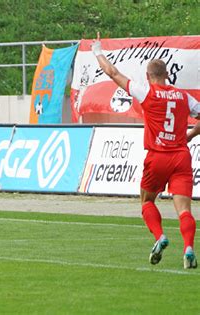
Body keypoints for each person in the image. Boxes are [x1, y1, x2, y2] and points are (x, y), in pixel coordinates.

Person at [92, 32, 199, 269]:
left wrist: (97, 50)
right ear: (168, 75)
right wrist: (190, 135)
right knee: (184, 209)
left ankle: (160, 236)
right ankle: (189, 248)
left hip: (157, 156)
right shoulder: (184, 97)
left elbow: (113, 73)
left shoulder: (146, 92)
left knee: (147, 200)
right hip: (181, 156)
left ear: (148, 76)